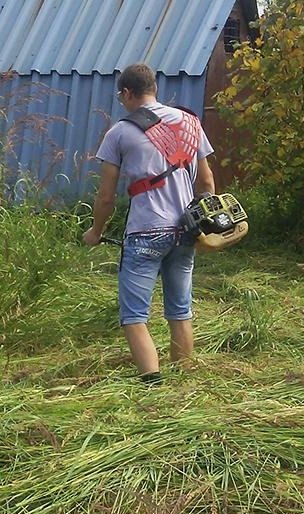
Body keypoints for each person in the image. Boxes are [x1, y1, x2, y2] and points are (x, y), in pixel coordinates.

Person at [82, 63, 216, 384]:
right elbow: (208, 182)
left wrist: (96, 232)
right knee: (180, 311)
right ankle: (182, 382)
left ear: (127, 93)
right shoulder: (190, 123)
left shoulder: (120, 132)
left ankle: (152, 386)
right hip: (185, 229)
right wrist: (202, 223)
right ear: (153, 88)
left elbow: (105, 198)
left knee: (134, 317)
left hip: (145, 233)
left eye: (121, 96)